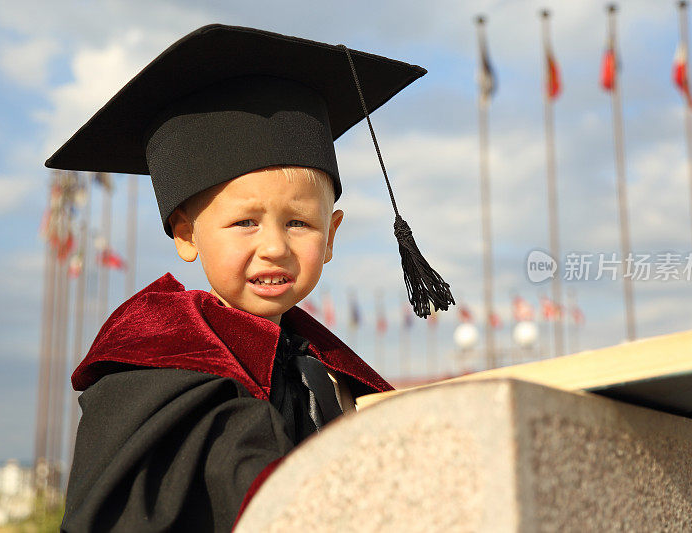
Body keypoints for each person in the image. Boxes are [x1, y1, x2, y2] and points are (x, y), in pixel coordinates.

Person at [47, 24, 453, 532]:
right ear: (187, 235)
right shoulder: (158, 363)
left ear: (331, 236)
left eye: (299, 222)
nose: (275, 247)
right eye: (244, 222)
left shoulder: (323, 368)